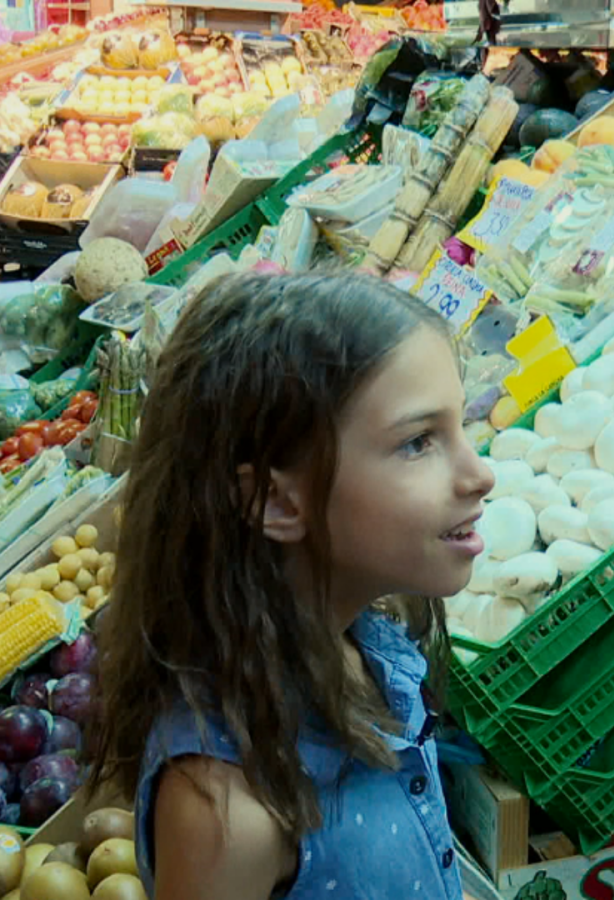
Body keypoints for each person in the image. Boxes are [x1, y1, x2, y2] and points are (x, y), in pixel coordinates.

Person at [84, 273, 494, 900]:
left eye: (460, 426)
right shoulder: (228, 814)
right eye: (418, 443)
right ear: (275, 501)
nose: (479, 473)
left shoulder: (365, 651)